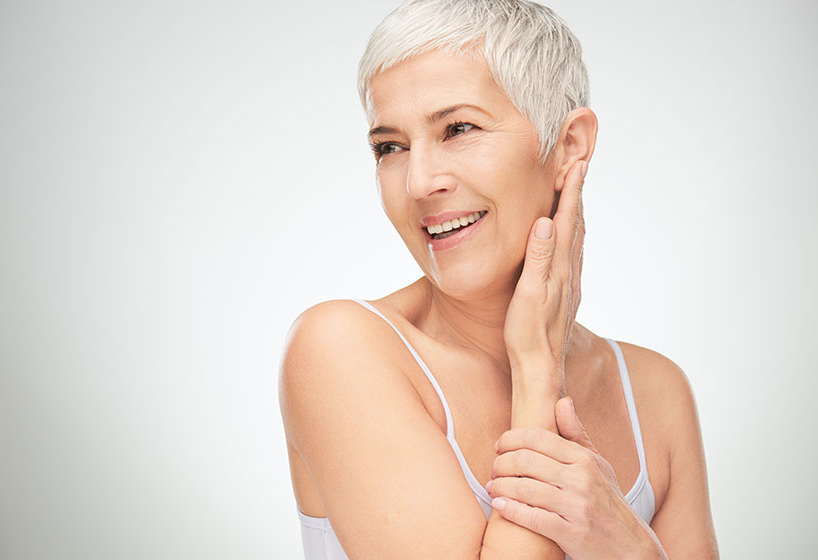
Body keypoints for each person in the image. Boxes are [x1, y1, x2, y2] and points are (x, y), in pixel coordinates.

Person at [279, 0, 718, 558]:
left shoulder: (657, 393)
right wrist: (537, 373)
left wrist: (627, 543)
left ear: (567, 146)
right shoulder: (340, 349)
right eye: (390, 147)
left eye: (458, 128)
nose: (418, 182)